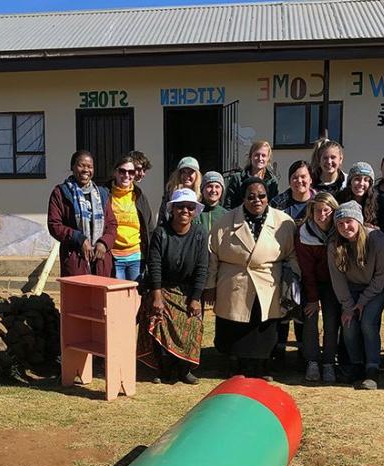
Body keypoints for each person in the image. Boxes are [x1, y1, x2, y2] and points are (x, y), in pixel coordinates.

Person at [205, 176, 300, 381]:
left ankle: (262, 364)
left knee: (263, 325)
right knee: (235, 324)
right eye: (251, 197)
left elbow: (292, 254)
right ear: (243, 198)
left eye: (262, 196)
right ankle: (234, 363)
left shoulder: (284, 222)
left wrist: (292, 281)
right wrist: (210, 285)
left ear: (268, 198)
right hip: (233, 280)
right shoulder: (225, 221)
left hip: (268, 281)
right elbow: (212, 256)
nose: (256, 200)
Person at [137, 188, 207, 385]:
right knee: (158, 316)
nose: (185, 210)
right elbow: (155, 265)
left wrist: (195, 298)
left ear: (195, 211)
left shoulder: (200, 234)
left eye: (190, 207)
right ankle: (164, 369)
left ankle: (184, 369)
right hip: (163, 287)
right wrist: (157, 296)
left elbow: (202, 268)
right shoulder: (161, 233)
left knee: (193, 321)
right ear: (172, 209)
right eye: (180, 206)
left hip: (187, 290)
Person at [328, 201, 384, 390]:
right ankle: (356, 365)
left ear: (358, 221)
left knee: (368, 322)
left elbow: (381, 277)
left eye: (349, 221)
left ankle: (372, 368)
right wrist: (348, 306)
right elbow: (337, 280)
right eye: (340, 224)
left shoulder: (377, 239)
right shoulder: (334, 245)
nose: (345, 227)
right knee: (348, 322)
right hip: (351, 287)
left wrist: (362, 302)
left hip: (377, 287)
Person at [270, 160, 316, 363]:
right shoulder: (277, 204)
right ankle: (278, 355)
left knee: (304, 311)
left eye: (303, 176)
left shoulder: (319, 202)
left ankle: (304, 355)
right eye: (295, 177)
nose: (299, 181)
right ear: (289, 181)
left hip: (312, 266)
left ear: (310, 179)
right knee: (282, 311)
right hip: (283, 264)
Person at [47, 150, 117, 277]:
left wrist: (104, 243)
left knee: (100, 295)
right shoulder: (60, 193)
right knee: (78, 295)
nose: (86, 170)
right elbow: (54, 225)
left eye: (90, 166)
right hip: (75, 258)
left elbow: (112, 224)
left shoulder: (102, 194)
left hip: (100, 258)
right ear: (72, 167)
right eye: (81, 165)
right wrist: (79, 238)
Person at [295, 192, 341, 383]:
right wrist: (313, 298)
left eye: (326, 211)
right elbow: (307, 270)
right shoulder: (304, 233)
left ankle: (329, 362)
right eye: (318, 211)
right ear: (311, 212)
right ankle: (312, 361)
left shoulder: (340, 230)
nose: (322, 215)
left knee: (331, 322)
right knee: (310, 319)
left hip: (334, 284)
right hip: (311, 283)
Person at [108, 155, 154, 281]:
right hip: (113, 257)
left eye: (131, 172)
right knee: (116, 298)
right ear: (115, 172)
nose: (126, 175)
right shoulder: (104, 194)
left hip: (136, 258)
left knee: (135, 298)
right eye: (122, 171)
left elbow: (149, 227)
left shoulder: (139, 196)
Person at [224, 140, 278, 209]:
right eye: (256, 155)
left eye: (263, 155)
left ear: (268, 159)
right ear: (250, 157)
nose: (260, 158)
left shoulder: (272, 181)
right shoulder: (237, 179)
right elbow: (228, 206)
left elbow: (273, 207)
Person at [336, 162, 380, 227]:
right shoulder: (339, 199)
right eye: (357, 179)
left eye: (366, 180)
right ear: (350, 182)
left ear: (370, 184)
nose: (361, 183)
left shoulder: (377, 202)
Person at [158, 156, 202, 222]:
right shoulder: (169, 196)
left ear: (197, 175)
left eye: (190, 172)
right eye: (183, 172)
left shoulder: (201, 196)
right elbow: (162, 219)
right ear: (178, 175)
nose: (186, 176)